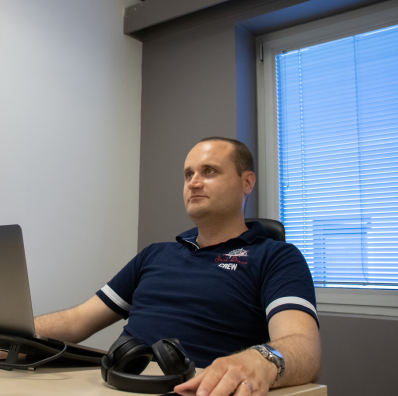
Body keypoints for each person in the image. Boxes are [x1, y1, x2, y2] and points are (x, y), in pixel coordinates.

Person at [34, 137, 320, 396]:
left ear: (247, 182)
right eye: (188, 174)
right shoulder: (154, 255)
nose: (193, 183)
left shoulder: (277, 257)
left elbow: (304, 347)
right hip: (113, 385)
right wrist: (15, 330)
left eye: (209, 171)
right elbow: (76, 321)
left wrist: (260, 361)